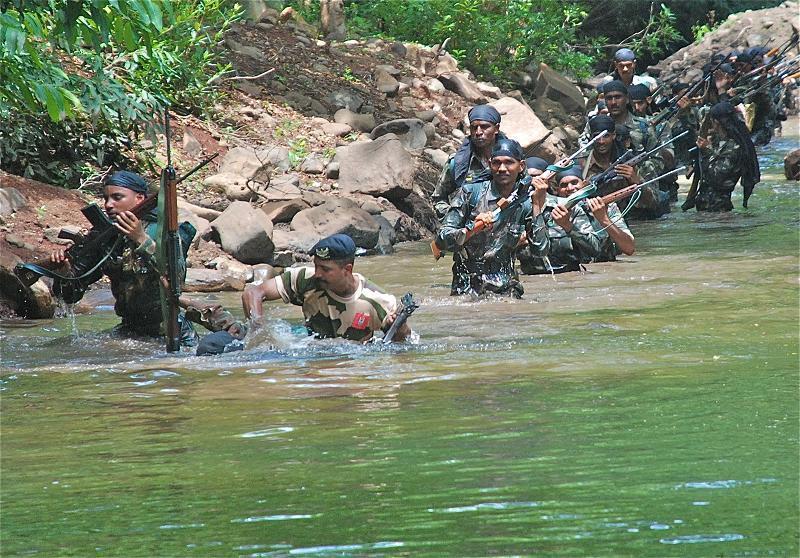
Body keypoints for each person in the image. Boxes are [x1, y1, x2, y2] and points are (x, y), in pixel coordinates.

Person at [47, 171, 245, 348]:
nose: (108, 205)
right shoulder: (105, 237)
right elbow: (68, 297)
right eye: (106, 198)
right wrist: (63, 272)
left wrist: (140, 238)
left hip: (170, 333)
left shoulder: (165, 231)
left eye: (117, 197)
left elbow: (175, 276)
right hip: (129, 330)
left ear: (139, 198)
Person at [241, 234, 410, 343]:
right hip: (307, 352)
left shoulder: (377, 300)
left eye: (325, 269)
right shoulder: (304, 278)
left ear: (347, 269)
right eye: (316, 266)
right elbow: (252, 292)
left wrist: (398, 328)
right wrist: (258, 329)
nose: (317, 274)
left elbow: (405, 345)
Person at [435, 138, 531, 297]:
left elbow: (542, 251)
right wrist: (473, 228)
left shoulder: (527, 201)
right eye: (496, 163)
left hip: (506, 286)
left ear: (521, 166)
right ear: (489, 164)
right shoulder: (470, 193)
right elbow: (442, 240)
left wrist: (537, 207)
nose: (502, 168)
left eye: (509, 162)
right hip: (465, 285)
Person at [517, 168, 606, 275]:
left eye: (539, 176)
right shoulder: (516, 211)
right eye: (530, 177)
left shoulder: (569, 207)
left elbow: (595, 249)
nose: (535, 181)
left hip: (570, 277)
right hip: (531, 278)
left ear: (548, 181)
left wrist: (568, 226)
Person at [431, 104, 504, 219]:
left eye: (485, 127)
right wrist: (456, 218)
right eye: (474, 127)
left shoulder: (511, 163)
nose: (478, 132)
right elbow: (438, 199)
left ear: (496, 129)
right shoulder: (457, 163)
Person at [691, 101, 760, 212]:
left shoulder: (734, 147)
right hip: (706, 206)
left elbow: (717, 177)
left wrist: (706, 151)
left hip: (719, 208)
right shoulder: (720, 143)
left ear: (717, 123)